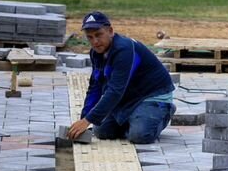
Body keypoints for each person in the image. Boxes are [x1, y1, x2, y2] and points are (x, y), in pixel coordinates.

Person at [67, 11, 175, 144]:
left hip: (151, 96)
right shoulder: (96, 53)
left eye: (98, 35)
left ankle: (163, 113)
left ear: (110, 31)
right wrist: (83, 120)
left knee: (139, 136)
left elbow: (115, 90)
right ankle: (134, 118)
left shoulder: (124, 49)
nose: (95, 41)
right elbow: (95, 87)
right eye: (90, 37)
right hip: (127, 96)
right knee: (101, 132)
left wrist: (88, 120)